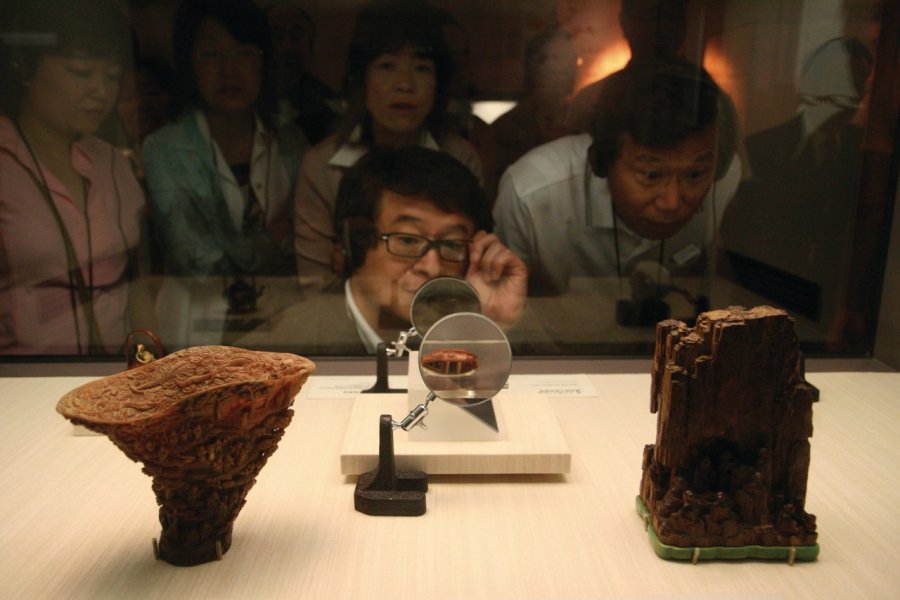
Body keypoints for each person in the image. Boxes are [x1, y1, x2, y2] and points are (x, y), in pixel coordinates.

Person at [240, 146, 526, 355]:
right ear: (356, 243)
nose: (433, 267)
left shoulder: (469, 329)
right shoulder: (281, 348)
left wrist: (489, 325)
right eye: (408, 241)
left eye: (451, 245)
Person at [493, 59, 741, 297]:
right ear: (603, 159)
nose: (672, 203)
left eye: (694, 174)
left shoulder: (726, 181)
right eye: (651, 175)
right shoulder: (531, 195)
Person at [293, 0, 483, 293]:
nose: (404, 84)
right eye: (387, 66)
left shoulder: (460, 158)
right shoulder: (322, 165)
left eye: (421, 68)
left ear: (438, 83)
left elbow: (473, 270)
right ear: (361, 80)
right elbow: (315, 285)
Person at [0, 0, 146, 355]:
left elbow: (135, 280)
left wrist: (151, 365)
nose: (101, 91)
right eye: (81, 72)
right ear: (25, 67)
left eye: (111, 77)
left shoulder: (112, 162)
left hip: (112, 380)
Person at [564, 0, 688, 133]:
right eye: (653, 18)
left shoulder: (700, 94)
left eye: (674, 18)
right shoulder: (591, 100)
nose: (666, 28)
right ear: (626, 23)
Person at [491, 28, 578, 185]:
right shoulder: (506, 128)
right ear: (531, 67)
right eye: (554, 58)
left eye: (570, 59)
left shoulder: (583, 122)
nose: (565, 68)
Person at [262, 0, 339, 145]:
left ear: (310, 46)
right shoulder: (241, 104)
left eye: (297, 37)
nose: (287, 47)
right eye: (277, 36)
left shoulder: (327, 109)